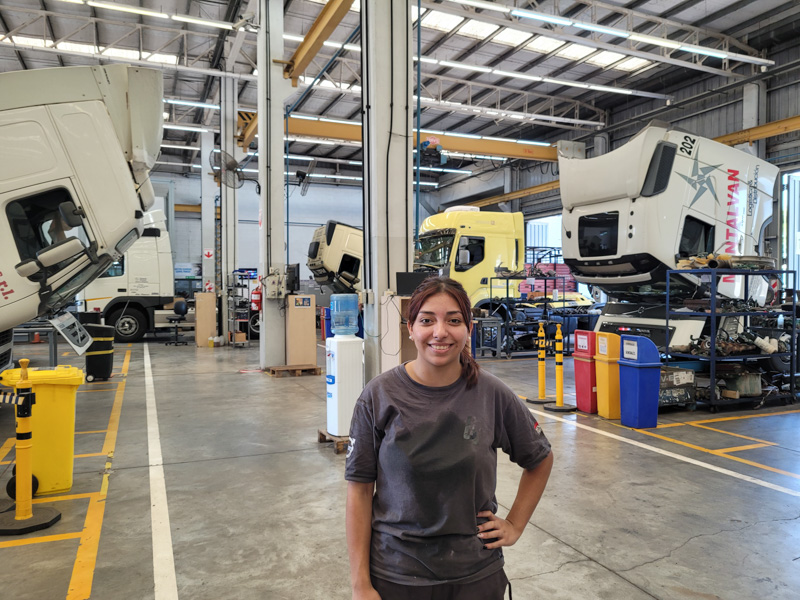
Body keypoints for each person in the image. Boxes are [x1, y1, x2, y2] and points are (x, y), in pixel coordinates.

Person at [345, 276, 553, 600]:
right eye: (427, 320)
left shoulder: (491, 393)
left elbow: (539, 458)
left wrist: (514, 525)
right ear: (411, 327)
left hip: (475, 575)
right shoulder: (378, 396)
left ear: (468, 328)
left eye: (453, 320)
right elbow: (359, 491)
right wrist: (360, 585)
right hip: (397, 575)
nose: (440, 332)